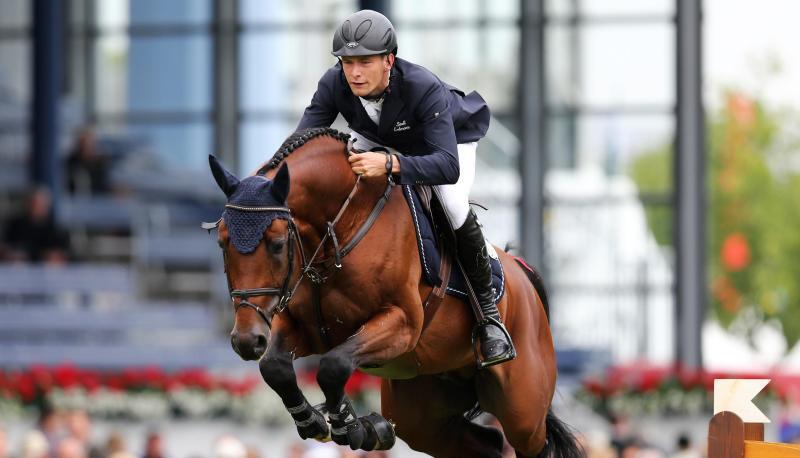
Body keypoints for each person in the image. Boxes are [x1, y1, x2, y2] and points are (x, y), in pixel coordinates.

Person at [296, 9, 513, 366]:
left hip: (447, 143)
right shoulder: (333, 83)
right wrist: (268, 182)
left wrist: (390, 164)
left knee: (453, 204)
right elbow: (301, 144)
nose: (354, 72)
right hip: (379, 135)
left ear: (388, 60)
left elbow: (446, 165)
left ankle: (489, 317)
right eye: (347, 62)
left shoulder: (422, 87)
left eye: (364, 62)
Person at [1, 187, 70, 264]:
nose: (36, 207)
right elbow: (4, 248)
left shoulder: (53, 228)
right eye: (34, 203)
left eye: (40, 204)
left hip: (45, 271)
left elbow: (61, 254)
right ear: (27, 204)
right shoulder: (15, 225)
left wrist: (49, 256)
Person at [65, 126, 110, 195]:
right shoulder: (71, 161)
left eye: (89, 141)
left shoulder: (101, 162)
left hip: (97, 200)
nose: (87, 144)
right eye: (83, 141)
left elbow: (103, 185)